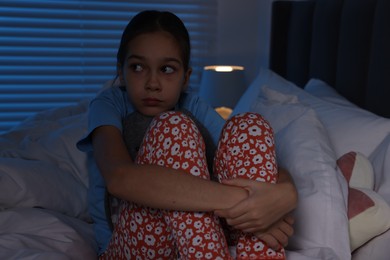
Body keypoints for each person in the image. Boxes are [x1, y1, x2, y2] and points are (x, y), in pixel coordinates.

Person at [77, 10, 297, 259]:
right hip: (133, 242)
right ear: (121, 71)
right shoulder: (109, 103)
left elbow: (237, 157)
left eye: (167, 69)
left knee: (249, 126)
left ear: (185, 78)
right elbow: (119, 178)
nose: (153, 83)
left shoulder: (192, 104)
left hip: (201, 231)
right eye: (138, 67)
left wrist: (285, 194)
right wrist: (246, 200)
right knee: (173, 127)